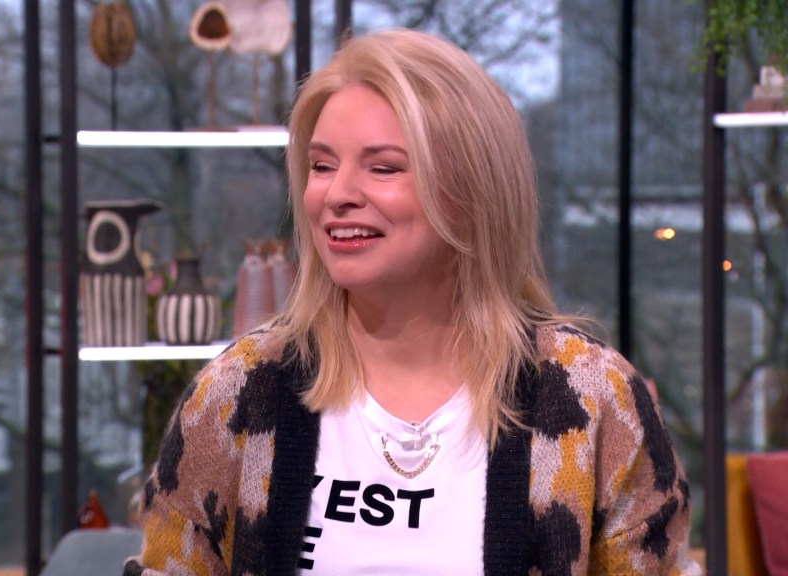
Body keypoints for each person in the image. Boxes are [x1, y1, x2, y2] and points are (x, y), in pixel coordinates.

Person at [123, 28, 700, 575]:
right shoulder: (240, 393)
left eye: (383, 167)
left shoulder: (590, 396)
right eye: (321, 166)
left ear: (471, 192)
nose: (337, 194)